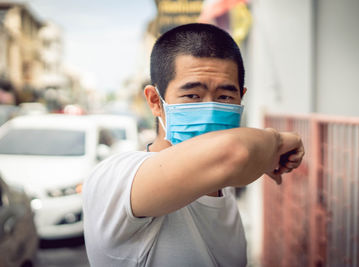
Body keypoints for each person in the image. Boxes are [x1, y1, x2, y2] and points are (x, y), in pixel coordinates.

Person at [83, 23, 304, 267]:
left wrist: (260, 155)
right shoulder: (117, 178)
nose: (210, 110)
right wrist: (280, 141)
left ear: (241, 97)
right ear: (155, 101)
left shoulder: (223, 188)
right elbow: (234, 152)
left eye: (224, 97)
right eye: (192, 96)